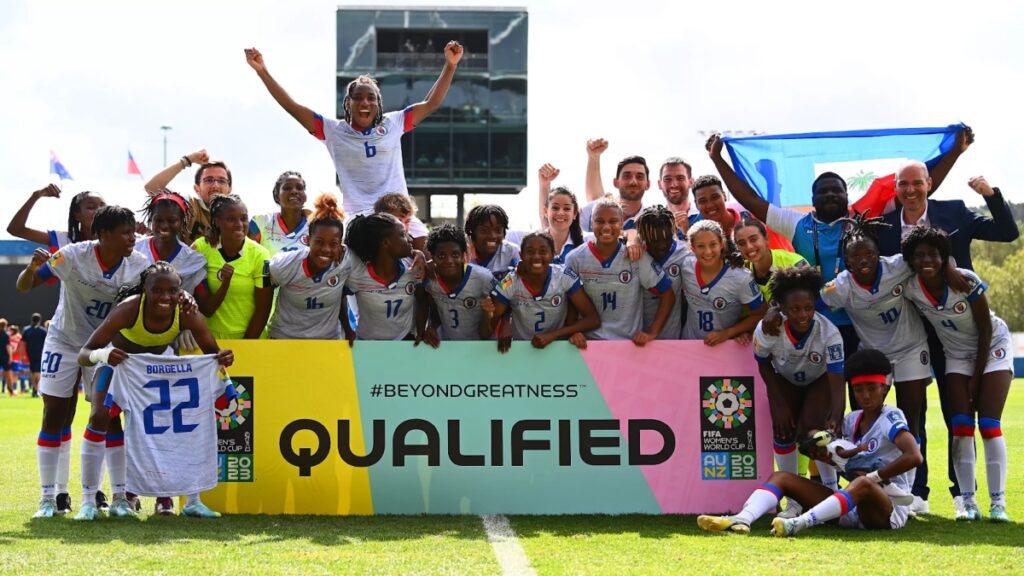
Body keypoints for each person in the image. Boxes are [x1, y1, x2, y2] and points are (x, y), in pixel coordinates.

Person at [705, 130, 971, 361]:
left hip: (862, 324)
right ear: (813, 198)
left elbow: (915, 193)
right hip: (813, 323)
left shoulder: (862, 217)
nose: (830, 195)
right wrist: (718, 159)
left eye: (837, 190)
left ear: (847, 196)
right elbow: (750, 200)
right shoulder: (797, 223)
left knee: (863, 394)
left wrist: (955, 153)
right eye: (823, 191)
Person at [876, 165, 1019, 514]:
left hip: (968, 324)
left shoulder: (952, 212)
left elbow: (1006, 231)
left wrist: (990, 195)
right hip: (920, 329)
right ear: (895, 189)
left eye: (917, 183)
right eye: (903, 184)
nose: (911, 190)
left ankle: (963, 496)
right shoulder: (883, 227)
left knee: (971, 418)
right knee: (920, 414)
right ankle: (919, 492)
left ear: (929, 184)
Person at [244, 41, 463, 241]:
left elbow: (431, 103)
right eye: (357, 98)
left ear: (379, 103)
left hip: (400, 215)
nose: (364, 102)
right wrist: (262, 71)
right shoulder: (333, 131)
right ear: (347, 104)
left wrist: (450, 65)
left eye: (371, 98)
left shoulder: (393, 123)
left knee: (428, 254)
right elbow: (292, 107)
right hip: (360, 220)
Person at [698, 349, 922, 536]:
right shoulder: (852, 419)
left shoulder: (891, 416)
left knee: (864, 482)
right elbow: (819, 440)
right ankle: (742, 518)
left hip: (888, 509)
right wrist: (817, 440)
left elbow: (914, 456)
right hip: (853, 504)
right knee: (782, 477)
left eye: (872, 388)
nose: (865, 395)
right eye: (858, 389)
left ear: (885, 388)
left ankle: (798, 523)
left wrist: (874, 476)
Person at [16, 206, 149, 519]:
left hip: (103, 346)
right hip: (63, 341)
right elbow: (26, 285)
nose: (133, 238)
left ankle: (118, 497)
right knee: (54, 414)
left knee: (108, 414)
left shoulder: (138, 265)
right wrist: (30, 268)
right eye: (125, 232)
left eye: (133, 231)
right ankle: (47, 500)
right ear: (103, 235)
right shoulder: (72, 255)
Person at [74, 262, 231, 520]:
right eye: (157, 290)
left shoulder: (186, 311)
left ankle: (192, 500)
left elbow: (213, 354)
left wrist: (223, 357)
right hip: (119, 365)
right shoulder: (128, 309)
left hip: (158, 370)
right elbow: (84, 354)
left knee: (184, 423)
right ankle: (89, 502)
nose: (165, 297)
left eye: (172, 291)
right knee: (99, 417)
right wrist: (105, 354)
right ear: (145, 289)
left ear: (180, 291)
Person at [901, 226, 1013, 522]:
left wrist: (976, 376)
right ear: (911, 260)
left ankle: (998, 503)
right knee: (961, 425)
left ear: (944, 257)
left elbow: (986, 328)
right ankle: (968, 502)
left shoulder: (966, 280)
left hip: (992, 347)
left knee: (988, 424)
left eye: (934, 254)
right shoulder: (911, 286)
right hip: (956, 355)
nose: (927, 260)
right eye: (919, 255)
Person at [752, 266, 845, 518]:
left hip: (819, 380)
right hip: (784, 379)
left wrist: (837, 414)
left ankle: (831, 491)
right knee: (783, 429)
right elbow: (763, 364)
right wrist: (778, 404)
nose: (803, 314)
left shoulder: (830, 334)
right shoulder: (768, 328)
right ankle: (793, 500)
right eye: (795, 309)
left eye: (808, 308)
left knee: (816, 431)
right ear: (781, 307)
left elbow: (837, 379)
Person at [564, 199, 675, 345]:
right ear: (591, 222)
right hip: (589, 345)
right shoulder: (575, 258)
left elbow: (668, 294)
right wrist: (574, 331)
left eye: (613, 221)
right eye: (599, 221)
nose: (606, 227)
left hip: (627, 345)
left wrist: (652, 332)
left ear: (622, 223)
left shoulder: (635, 256)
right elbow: (570, 302)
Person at [485, 232, 600, 352]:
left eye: (543, 251)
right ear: (521, 255)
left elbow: (593, 319)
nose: (536, 256)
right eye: (530, 252)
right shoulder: (510, 281)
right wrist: (494, 318)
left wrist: (554, 335)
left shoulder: (563, 276)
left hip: (558, 349)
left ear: (553, 254)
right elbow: (486, 331)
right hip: (521, 352)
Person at [268, 193, 350, 340]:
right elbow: (263, 297)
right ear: (307, 240)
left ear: (341, 245)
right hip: (285, 340)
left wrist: (349, 330)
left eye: (333, 244)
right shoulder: (284, 265)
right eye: (319, 242)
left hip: (327, 341)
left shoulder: (346, 262)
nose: (326, 249)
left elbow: (342, 295)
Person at [192, 195, 273, 340]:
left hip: (249, 338)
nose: (239, 224)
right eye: (231, 219)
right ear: (216, 221)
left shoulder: (260, 255)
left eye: (243, 218)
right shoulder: (200, 248)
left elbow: (263, 309)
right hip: (208, 340)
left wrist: (246, 346)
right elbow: (203, 306)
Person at [341, 213, 424, 342]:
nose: (410, 239)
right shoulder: (358, 272)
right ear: (386, 243)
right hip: (367, 345)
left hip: (405, 342)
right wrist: (347, 330)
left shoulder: (413, 266)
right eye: (403, 234)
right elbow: (337, 298)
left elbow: (423, 300)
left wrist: (420, 330)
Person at [680, 220, 764, 344]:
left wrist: (728, 333)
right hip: (689, 345)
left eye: (713, 244)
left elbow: (760, 314)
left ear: (722, 244)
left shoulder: (741, 277)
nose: (708, 252)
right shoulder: (685, 267)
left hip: (725, 348)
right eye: (700, 246)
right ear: (692, 248)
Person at [421, 224, 496, 342]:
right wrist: (432, 327)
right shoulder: (430, 281)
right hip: (449, 346)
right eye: (441, 256)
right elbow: (435, 311)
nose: (449, 261)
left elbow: (503, 303)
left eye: (455, 255)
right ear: (433, 257)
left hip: (481, 348)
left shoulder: (483, 277)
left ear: (463, 255)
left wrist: (489, 314)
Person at [144, 149, 233, 244]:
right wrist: (188, 160)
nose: (215, 186)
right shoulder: (189, 205)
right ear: (197, 188)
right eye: (208, 180)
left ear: (230, 189)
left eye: (222, 181)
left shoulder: (239, 217)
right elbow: (151, 187)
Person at [690, 175, 791, 250]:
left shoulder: (756, 221)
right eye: (703, 201)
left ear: (724, 196)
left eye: (715, 197)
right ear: (696, 204)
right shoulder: (700, 236)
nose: (710, 205)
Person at [634, 206, 688, 339]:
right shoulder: (635, 253)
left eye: (667, 238)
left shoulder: (684, 253)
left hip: (672, 339)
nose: (662, 245)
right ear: (643, 235)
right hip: (637, 337)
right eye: (655, 240)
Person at [8, 185, 105, 252]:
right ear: (77, 215)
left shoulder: (117, 238)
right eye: (91, 207)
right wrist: (35, 196)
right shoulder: (64, 240)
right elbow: (16, 229)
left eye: (103, 206)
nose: (99, 211)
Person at [732, 218, 808, 302]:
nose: (749, 246)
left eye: (753, 239)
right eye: (742, 243)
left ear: (766, 239)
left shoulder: (795, 264)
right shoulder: (741, 271)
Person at [581, 140, 649, 233]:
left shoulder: (651, 221)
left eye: (639, 177)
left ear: (647, 184)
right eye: (627, 176)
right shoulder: (594, 209)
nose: (633, 181)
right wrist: (593, 157)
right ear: (616, 182)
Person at [531, 164, 587, 265]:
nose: (561, 213)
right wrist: (544, 184)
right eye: (555, 208)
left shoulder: (585, 245)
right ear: (545, 211)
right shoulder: (533, 243)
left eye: (566, 208)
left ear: (575, 213)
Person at [249, 171, 312, 255]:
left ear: (305, 196)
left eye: (300, 188)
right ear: (276, 196)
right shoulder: (261, 223)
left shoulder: (315, 227)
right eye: (287, 188)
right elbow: (247, 259)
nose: (294, 191)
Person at [465, 204, 520, 280]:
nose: (492, 236)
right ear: (472, 233)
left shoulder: (512, 252)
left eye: (498, 230)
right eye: (484, 230)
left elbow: (517, 281)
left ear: (504, 233)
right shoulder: (462, 254)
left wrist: (500, 288)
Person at [657, 157, 698, 236]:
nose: (674, 185)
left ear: (691, 182)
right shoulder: (653, 221)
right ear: (659, 184)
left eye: (680, 178)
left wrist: (688, 232)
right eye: (667, 179)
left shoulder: (704, 215)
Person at [21, 314, 48, 398]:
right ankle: (36, 389)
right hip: (41, 354)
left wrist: (22, 355)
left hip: (30, 354)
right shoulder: (43, 331)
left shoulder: (26, 330)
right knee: (38, 372)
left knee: (33, 372)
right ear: (40, 320)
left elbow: (22, 344)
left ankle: (34, 388)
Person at [0, 319, 12, 396]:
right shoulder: (6, 335)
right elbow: (8, 346)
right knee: (8, 374)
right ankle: (11, 391)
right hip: (4, 356)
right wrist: (10, 357)